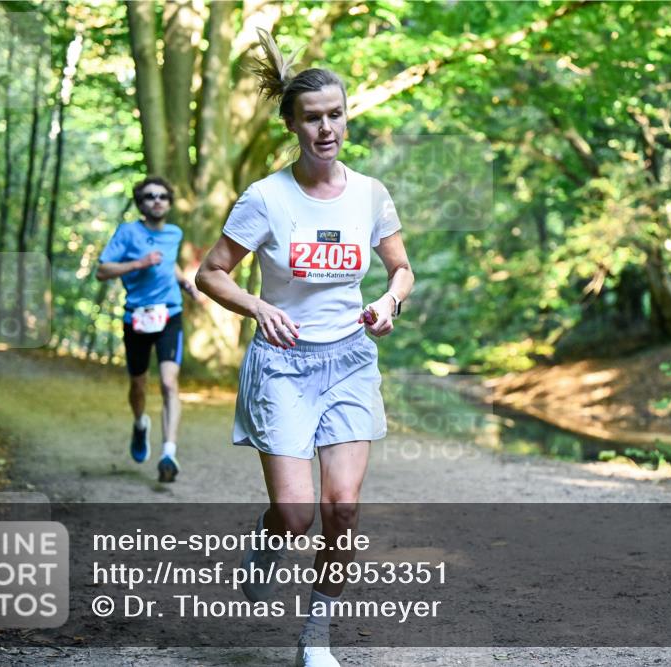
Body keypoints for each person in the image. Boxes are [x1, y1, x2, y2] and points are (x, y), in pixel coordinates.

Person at [195, 29, 414, 667]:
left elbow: (401, 269)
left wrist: (388, 303)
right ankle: (269, 541)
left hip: (348, 361)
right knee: (295, 516)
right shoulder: (266, 198)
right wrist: (258, 306)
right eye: (313, 118)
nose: (326, 129)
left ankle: (315, 635)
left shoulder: (370, 194)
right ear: (291, 124)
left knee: (342, 508)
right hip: (283, 366)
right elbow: (210, 273)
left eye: (335, 115)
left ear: (347, 117)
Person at [96, 176, 200, 483]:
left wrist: (185, 283)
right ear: (141, 204)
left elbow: (168, 264)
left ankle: (169, 453)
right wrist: (138, 264)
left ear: (169, 203)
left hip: (169, 314)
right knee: (138, 385)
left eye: (163, 196)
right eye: (150, 196)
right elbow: (102, 270)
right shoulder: (128, 233)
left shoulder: (174, 233)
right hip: (137, 319)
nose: (157, 201)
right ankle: (140, 423)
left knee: (169, 383)